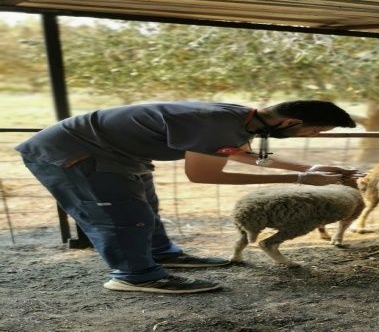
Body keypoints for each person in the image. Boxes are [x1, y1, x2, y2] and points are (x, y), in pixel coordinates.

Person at [16, 100, 359, 293]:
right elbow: (203, 174)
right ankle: (134, 276)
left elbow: (244, 154)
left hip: (117, 154)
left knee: (145, 209)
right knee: (121, 215)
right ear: (290, 122)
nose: (311, 135)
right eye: (313, 131)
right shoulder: (218, 123)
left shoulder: (243, 120)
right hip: (73, 154)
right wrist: (302, 179)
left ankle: (161, 255)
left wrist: (307, 166)